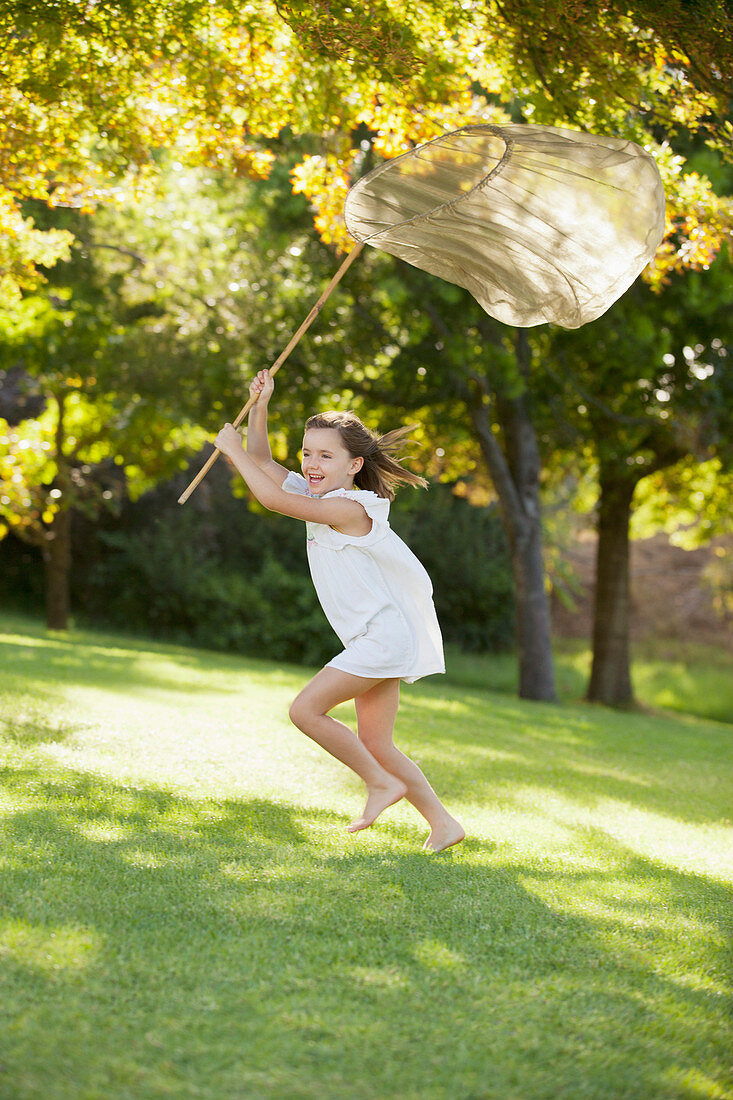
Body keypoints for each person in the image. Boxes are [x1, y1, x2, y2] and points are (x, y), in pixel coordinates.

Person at [214, 370, 465, 854]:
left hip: (383, 638)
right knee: (379, 742)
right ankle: (443, 822)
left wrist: (231, 450)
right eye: (308, 452)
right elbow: (264, 461)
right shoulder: (316, 494)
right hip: (377, 638)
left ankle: (378, 785)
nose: (311, 462)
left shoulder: (350, 507)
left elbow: (269, 497)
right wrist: (261, 404)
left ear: (354, 465)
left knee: (305, 710)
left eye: (325, 455)